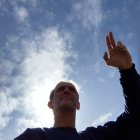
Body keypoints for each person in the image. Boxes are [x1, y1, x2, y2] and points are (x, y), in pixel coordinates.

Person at [14, 32, 140, 140]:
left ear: (78, 104)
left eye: (72, 89)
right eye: (60, 89)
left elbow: (135, 119)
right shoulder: (35, 136)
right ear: (50, 104)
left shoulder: (96, 136)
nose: (67, 90)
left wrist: (127, 70)